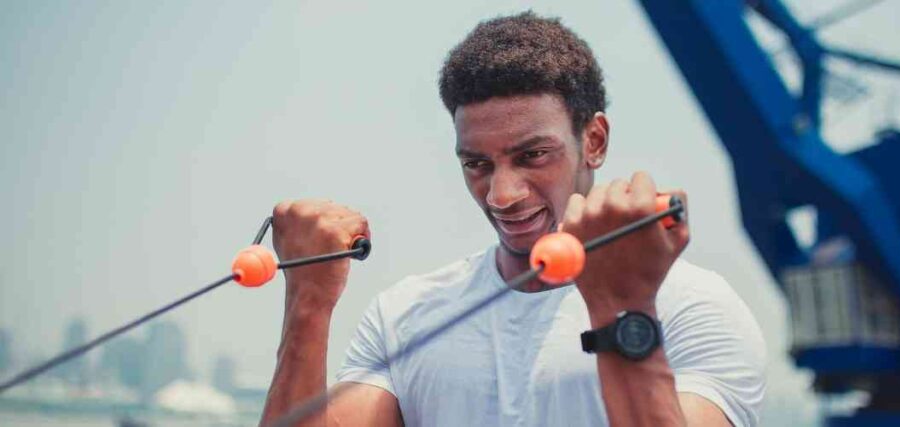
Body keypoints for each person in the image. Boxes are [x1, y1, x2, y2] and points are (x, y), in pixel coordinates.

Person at [259, 12, 765, 427]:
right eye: (477, 164)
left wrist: (621, 308)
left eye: (532, 156)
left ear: (593, 142)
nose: (502, 195)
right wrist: (307, 301)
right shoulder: (405, 313)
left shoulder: (694, 306)